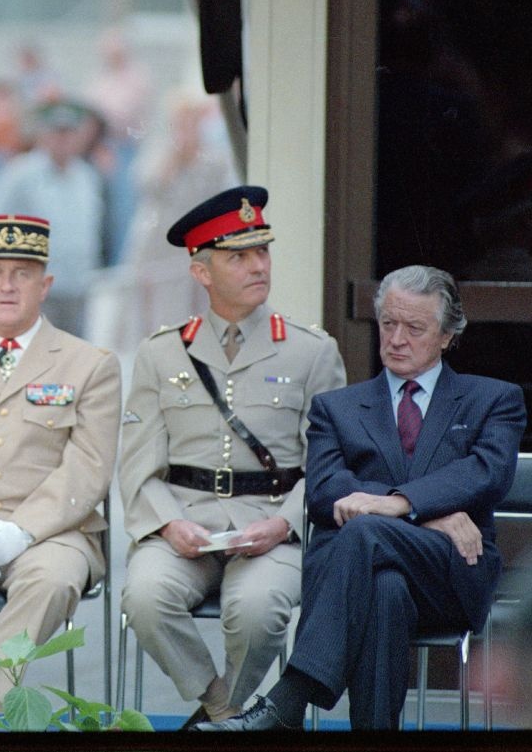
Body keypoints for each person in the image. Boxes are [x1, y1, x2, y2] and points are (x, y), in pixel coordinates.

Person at [197, 265, 526, 731]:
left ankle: (289, 698)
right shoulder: (339, 406)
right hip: (369, 574)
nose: (396, 338)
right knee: (385, 586)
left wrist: (396, 504)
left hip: (449, 570)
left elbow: (486, 473)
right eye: (388, 324)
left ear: (448, 335)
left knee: (367, 530)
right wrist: (421, 513)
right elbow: (326, 490)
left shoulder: (492, 399)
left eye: (414, 328)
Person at [118, 185, 346, 727]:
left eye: (261, 252)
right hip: (187, 521)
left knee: (259, 610)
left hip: (270, 526)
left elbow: (328, 464)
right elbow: (137, 465)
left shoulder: (312, 350)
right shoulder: (161, 352)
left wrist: (284, 523)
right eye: (237, 256)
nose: (256, 266)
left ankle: (223, 717)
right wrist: (170, 524)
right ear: (202, 272)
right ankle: (228, 713)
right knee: (145, 598)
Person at [0, 214, 120, 708]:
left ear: (46, 284)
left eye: (23, 273)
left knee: (53, 582)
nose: (8, 285)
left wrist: (23, 530)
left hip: (52, 534)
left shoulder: (89, 363)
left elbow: (90, 465)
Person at [0, 100, 106, 336]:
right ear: (44, 135)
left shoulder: (87, 177)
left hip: (77, 285)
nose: (63, 140)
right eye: (57, 132)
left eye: (69, 133)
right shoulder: (21, 174)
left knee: (73, 358)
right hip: (35, 287)